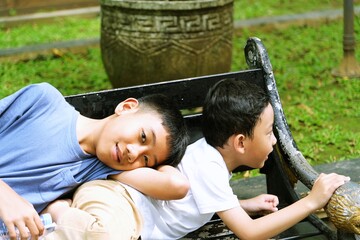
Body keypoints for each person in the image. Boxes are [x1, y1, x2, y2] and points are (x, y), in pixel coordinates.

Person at [43, 79, 350, 240]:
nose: (273, 140)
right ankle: (57, 213)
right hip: (117, 204)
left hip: (123, 214)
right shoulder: (209, 166)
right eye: (269, 132)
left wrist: (239, 205)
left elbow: (189, 203)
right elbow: (250, 233)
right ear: (241, 142)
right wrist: (312, 201)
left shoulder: (209, 160)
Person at [0, 82, 189, 240]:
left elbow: (176, 185)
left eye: (146, 159)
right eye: (143, 137)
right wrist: (7, 198)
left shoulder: (100, 168)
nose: (133, 153)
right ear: (126, 107)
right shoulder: (43, 102)